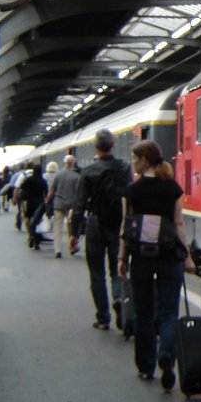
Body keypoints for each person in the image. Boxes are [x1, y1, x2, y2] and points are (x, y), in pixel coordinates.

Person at [117, 140, 195, 388]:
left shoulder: (131, 191)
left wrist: (121, 258)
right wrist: (188, 257)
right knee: (169, 312)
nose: (133, 162)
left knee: (143, 313)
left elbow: (125, 226)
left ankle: (146, 366)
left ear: (144, 160)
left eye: (135, 158)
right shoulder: (173, 188)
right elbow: (179, 223)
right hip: (169, 257)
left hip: (141, 258)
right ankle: (167, 356)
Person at [74, 129, 131, 331]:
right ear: (113, 144)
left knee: (96, 273)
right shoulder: (125, 168)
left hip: (96, 223)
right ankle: (119, 300)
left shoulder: (88, 172)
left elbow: (79, 204)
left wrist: (74, 233)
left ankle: (103, 317)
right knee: (118, 269)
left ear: (96, 147)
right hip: (118, 223)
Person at [47, 155, 80, 258]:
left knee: (58, 228)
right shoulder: (77, 177)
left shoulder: (58, 175)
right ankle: (72, 247)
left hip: (59, 204)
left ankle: (58, 250)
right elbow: (79, 193)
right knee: (71, 227)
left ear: (64, 163)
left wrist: (47, 201)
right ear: (73, 163)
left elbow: (52, 191)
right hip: (71, 205)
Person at [14, 163, 48, 250]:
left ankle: (31, 235)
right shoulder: (43, 181)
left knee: (29, 220)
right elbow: (46, 193)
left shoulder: (29, 179)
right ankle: (36, 241)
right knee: (37, 222)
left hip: (29, 202)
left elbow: (21, 187)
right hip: (40, 204)